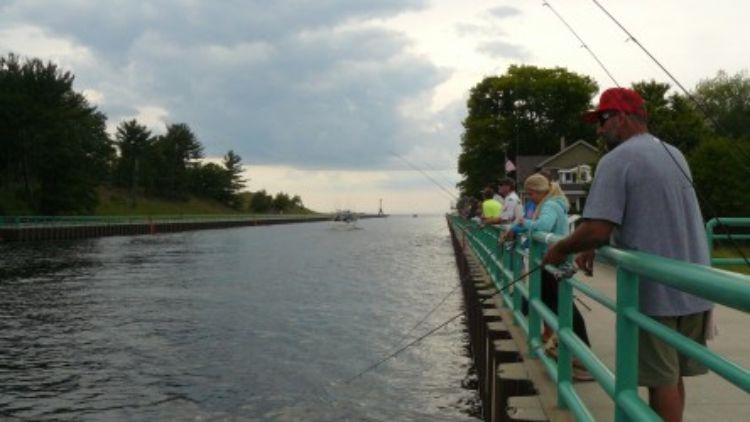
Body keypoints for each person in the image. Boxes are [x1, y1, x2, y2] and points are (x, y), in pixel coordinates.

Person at [543, 87, 712, 422]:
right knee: (672, 378)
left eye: (603, 119)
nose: (599, 129)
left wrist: (559, 248)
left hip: (655, 293)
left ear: (622, 117)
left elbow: (596, 228)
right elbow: (646, 214)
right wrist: (594, 244)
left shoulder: (617, 159)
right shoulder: (673, 153)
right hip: (695, 288)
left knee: (659, 382)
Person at [502, 173, 593, 381]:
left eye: (531, 193)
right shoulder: (553, 202)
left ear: (537, 191)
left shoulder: (550, 205)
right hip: (550, 262)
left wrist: (521, 222)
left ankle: (580, 354)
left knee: (561, 306)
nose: (530, 198)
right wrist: (517, 227)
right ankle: (561, 345)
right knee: (548, 303)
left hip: (553, 262)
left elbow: (543, 227)